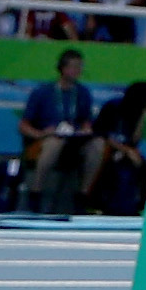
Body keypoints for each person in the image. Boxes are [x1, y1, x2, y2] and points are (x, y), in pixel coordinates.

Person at [15, 50, 99, 221]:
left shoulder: (83, 93)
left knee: (96, 145)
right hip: (47, 138)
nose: (77, 71)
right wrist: (41, 134)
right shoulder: (42, 92)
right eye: (73, 66)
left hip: (74, 139)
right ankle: (36, 192)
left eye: (80, 67)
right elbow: (24, 125)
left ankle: (82, 195)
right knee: (54, 143)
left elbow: (86, 121)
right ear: (62, 68)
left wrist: (85, 130)